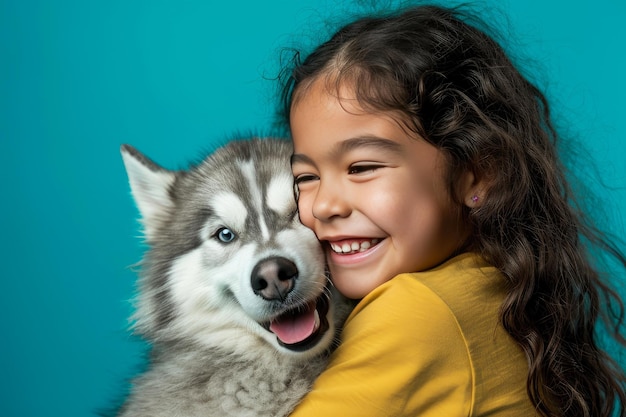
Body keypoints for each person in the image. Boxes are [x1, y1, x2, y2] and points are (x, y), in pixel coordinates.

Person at [279, 4, 626, 417]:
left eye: (362, 167)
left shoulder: (416, 311)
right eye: (305, 178)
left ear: (477, 174)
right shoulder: (496, 288)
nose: (324, 205)